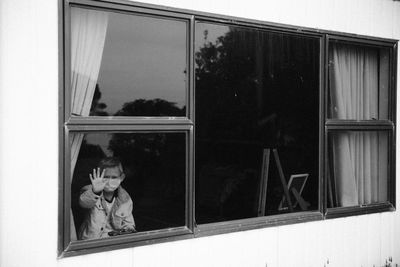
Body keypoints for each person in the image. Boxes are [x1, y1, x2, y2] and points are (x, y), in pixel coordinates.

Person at [78, 157, 136, 240]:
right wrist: (95, 192)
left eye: (114, 177)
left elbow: (129, 224)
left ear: (121, 177)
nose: (109, 181)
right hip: (91, 242)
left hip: (113, 243)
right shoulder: (90, 190)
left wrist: (127, 232)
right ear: (99, 176)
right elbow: (84, 202)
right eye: (106, 177)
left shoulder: (125, 199)